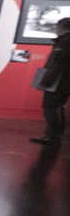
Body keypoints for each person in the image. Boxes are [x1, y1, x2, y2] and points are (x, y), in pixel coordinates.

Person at [31, 17, 70, 146]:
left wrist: (46, 81)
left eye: (57, 27)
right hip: (64, 82)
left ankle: (52, 137)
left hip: (58, 82)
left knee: (51, 107)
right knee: (59, 107)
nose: (55, 30)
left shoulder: (64, 42)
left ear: (62, 27)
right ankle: (56, 137)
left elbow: (57, 66)